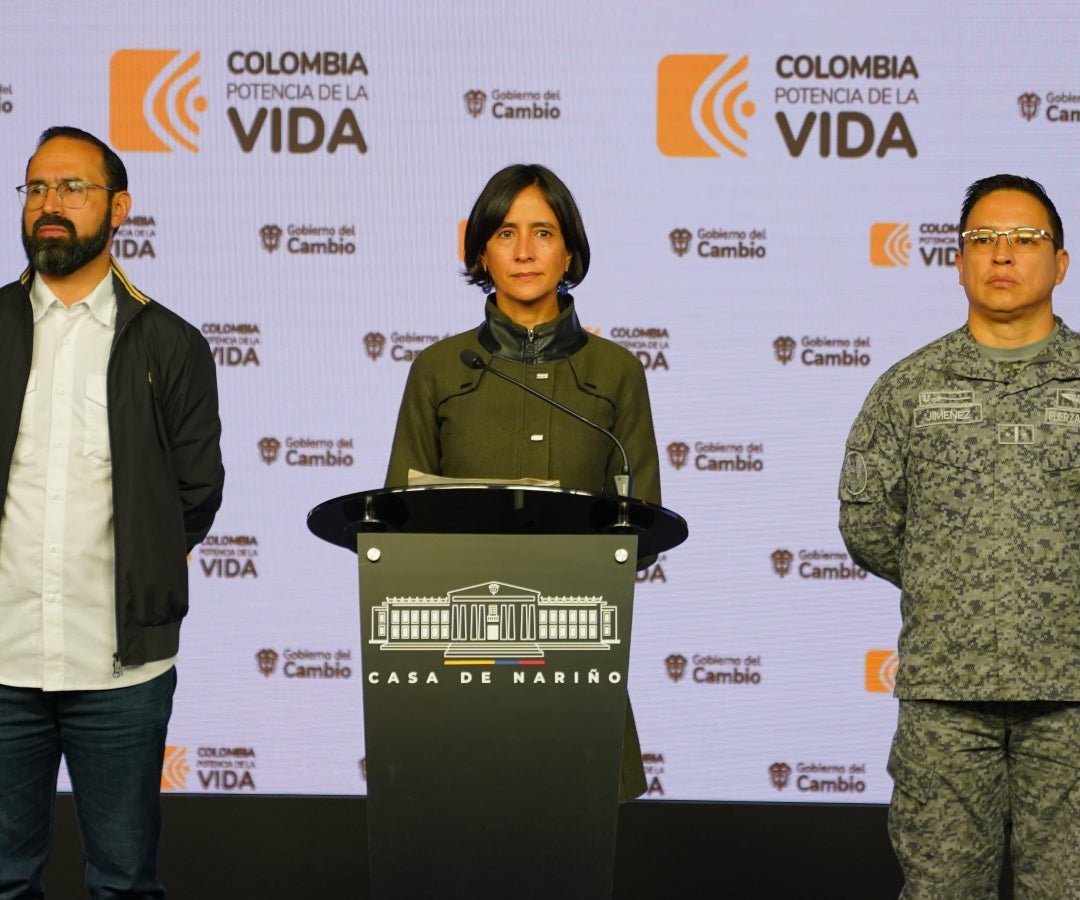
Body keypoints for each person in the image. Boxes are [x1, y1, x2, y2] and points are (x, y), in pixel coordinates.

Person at [385, 163, 661, 800]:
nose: (525, 251)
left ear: (569, 251)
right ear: (482, 252)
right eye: (506, 234)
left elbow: (641, 525)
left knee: (577, 843)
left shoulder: (617, 371)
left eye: (543, 232)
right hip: (459, 656)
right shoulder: (437, 368)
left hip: (575, 652)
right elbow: (400, 523)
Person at [839, 174, 1080, 897]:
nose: (1002, 254)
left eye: (1025, 239)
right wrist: (953, 578)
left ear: (1060, 263)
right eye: (983, 239)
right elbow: (868, 522)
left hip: (1073, 697)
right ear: (958, 260)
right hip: (946, 699)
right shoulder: (908, 387)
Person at [0, 126, 224, 898]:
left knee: (125, 883)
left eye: (73, 188)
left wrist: (148, 565)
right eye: (36, 188)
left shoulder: (172, 343)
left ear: (119, 208)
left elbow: (196, 493)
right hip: (1, 663)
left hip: (122, 670)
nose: (49, 204)